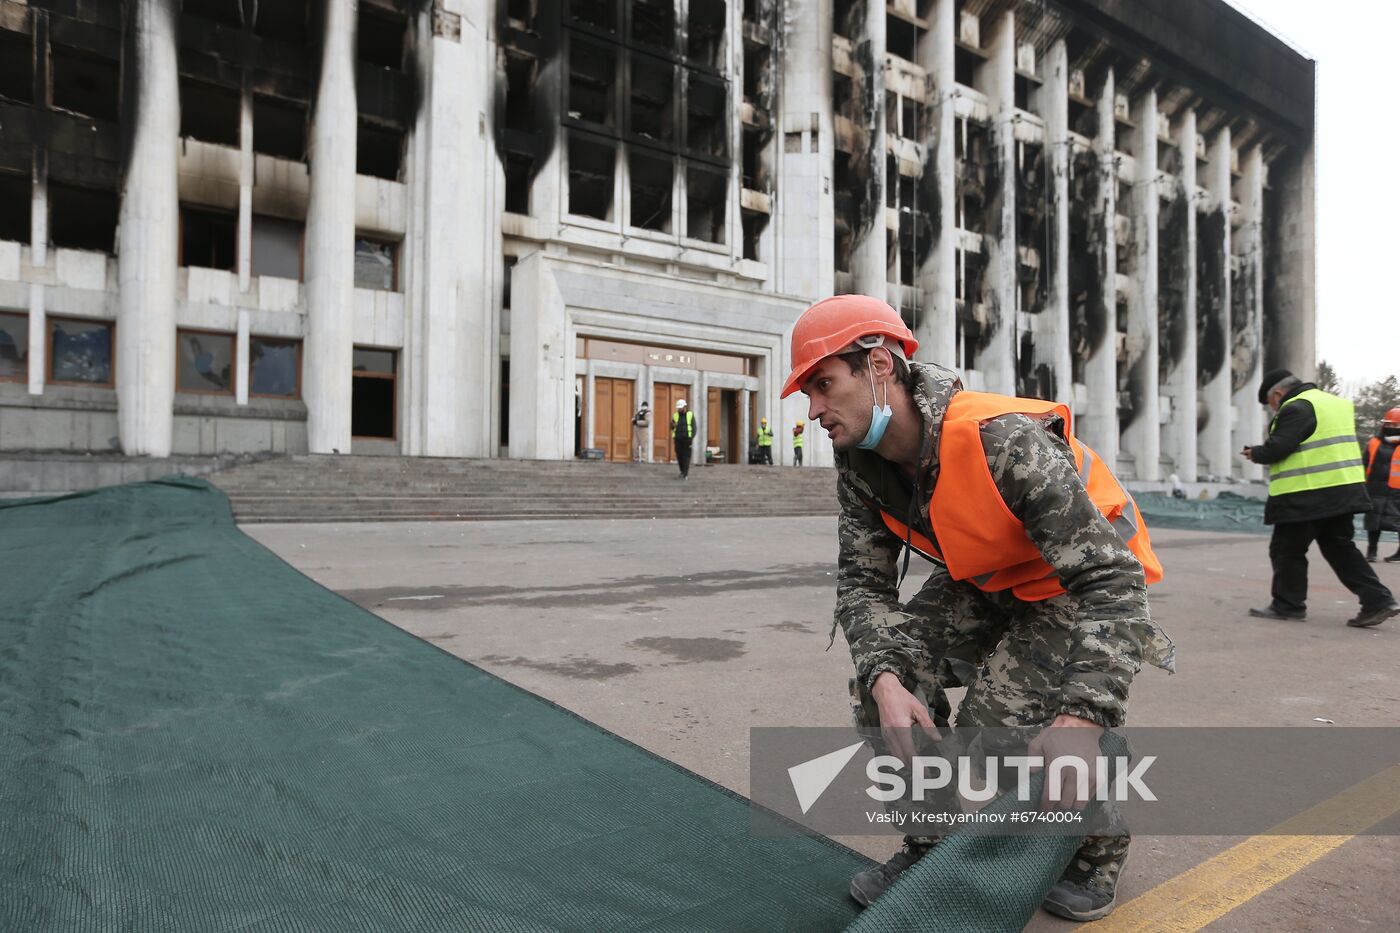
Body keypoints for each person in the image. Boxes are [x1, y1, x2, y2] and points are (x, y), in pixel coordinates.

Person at [782, 294, 1174, 922]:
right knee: (883, 686)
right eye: (808, 393)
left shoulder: (1002, 440)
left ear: (879, 365)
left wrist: (1084, 714)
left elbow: (1112, 580)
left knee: (1002, 730)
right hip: (990, 582)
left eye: (824, 385)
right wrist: (886, 678)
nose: (816, 410)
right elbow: (863, 586)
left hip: (1071, 588)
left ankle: (1097, 848)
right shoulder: (860, 463)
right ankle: (930, 847)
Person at [1242, 369, 1398, 627]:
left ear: (1278, 394)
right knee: (1340, 549)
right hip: (1343, 491)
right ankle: (1378, 601)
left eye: (1271, 403)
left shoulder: (1296, 407)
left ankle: (1288, 605)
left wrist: (1255, 452)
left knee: (1286, 549)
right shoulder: (1335, 404)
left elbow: (1279, 447)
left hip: (1307, 494)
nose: (1273, 408)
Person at [1362, 407, 1400, 563]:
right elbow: (1364, 464)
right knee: (1373, 520)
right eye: (1388, 425)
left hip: (1396, 490)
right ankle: (1372, 551)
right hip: (1375, 487)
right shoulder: (1374, 442)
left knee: (1397, 521)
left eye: (1395, 425)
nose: (1390, 428)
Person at [671, 399, 696, 480]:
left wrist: (691, 437)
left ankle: (685, 473)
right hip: (677, 439)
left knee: (686, 456)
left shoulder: (690, 414)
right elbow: (671, 426)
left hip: (687, 439)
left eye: (681, 408)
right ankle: (682, 471)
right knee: (679, 456)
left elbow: (694, 427)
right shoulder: (675, 415)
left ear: (685, 406)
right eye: (678, 408)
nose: (679, 409)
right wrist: (673, 425)